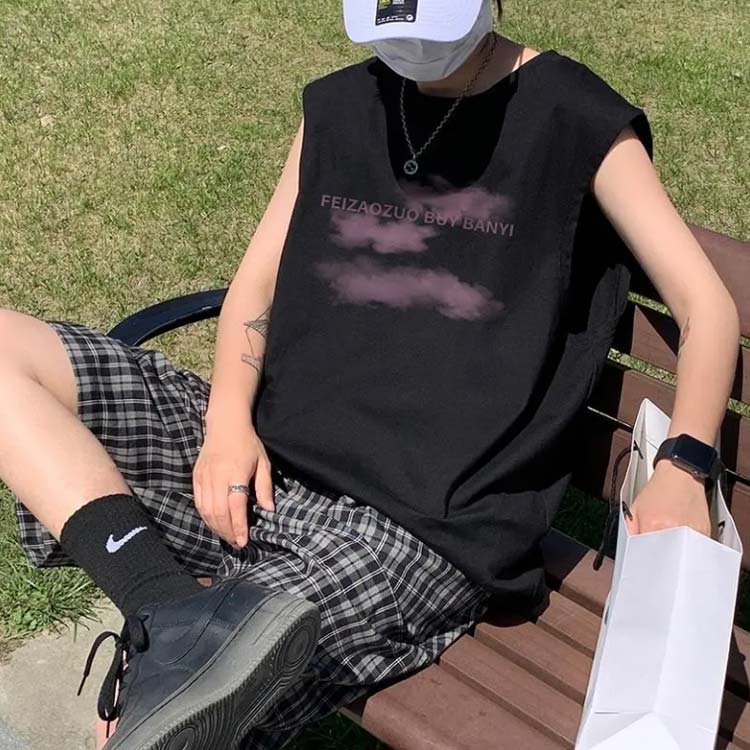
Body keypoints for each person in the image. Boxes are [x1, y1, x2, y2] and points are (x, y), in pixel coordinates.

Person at [0, 0, 740, 748]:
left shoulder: (574, 116)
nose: (410, 49)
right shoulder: (340, 104)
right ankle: (165, 602)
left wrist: (685, 464)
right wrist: (225, 423)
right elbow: (254, 288)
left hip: (415, 526)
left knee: (160, 724)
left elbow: (705, 306)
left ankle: (181, 645)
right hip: (267, 463)